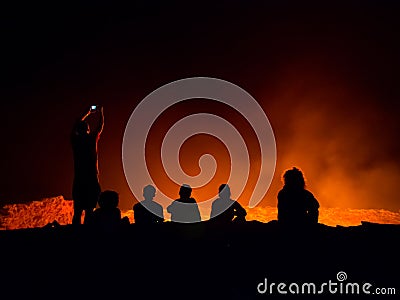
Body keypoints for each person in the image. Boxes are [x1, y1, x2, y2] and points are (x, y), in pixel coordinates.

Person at [71, 105, 104, 225]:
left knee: (77, 212)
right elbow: (100, 126)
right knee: (90, 211)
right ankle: (88, 236)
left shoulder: (75, 141)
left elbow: (75, 125)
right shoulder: (91, 139)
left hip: (79, 180)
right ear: (88, 129)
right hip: (91, 179)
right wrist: (101, 113)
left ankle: (76, 236)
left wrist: (87, 113)